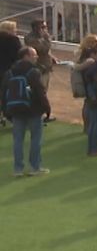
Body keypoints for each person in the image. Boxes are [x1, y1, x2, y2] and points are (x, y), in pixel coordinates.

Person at [5, 47, 50, 176]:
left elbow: (4, 92)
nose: (36, 57)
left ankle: (18, 169)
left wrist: (6, 110)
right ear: (26, 56)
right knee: (35, 138)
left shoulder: (10, 72)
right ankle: (35, 167)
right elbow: (40, 92)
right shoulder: (34, 72)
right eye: (33, 55)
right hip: (33, 109)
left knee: (18, 140)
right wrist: (47, 108)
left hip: (16, 109)